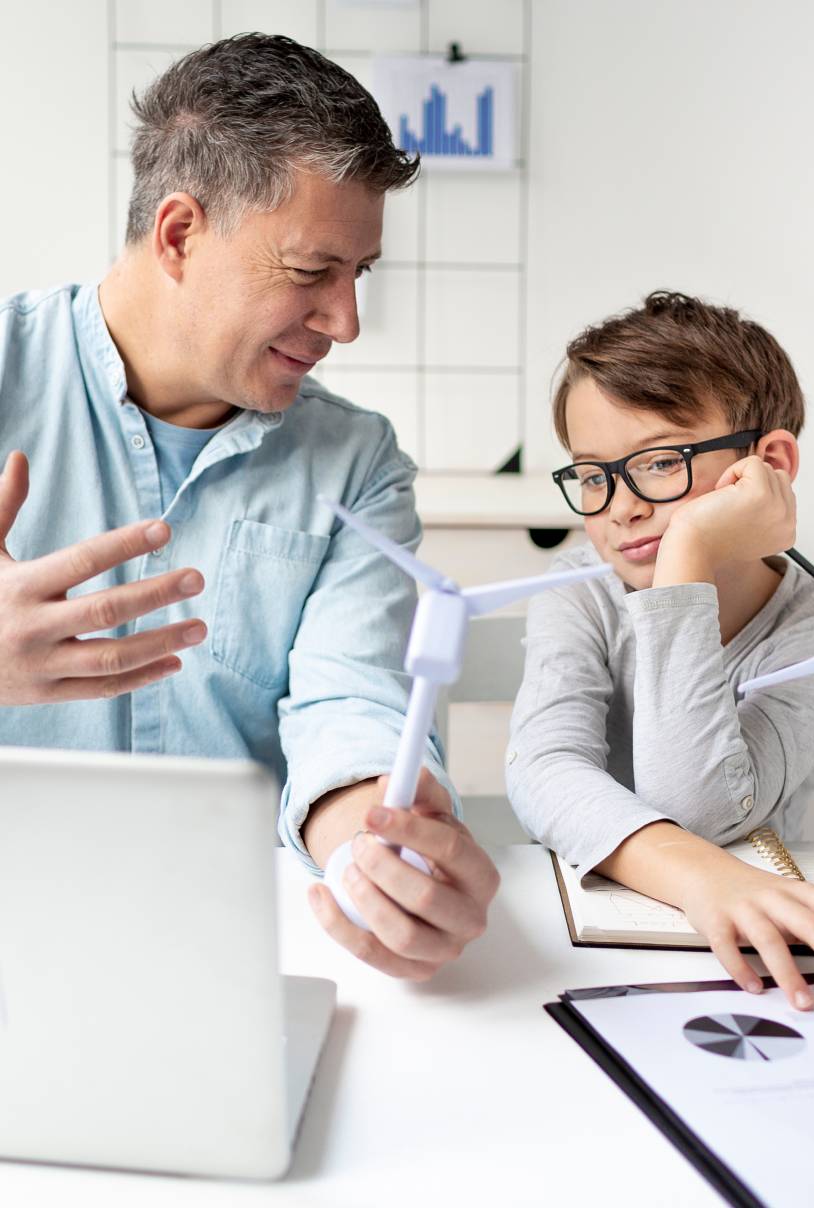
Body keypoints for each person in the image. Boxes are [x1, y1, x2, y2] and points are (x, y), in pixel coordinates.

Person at [0, 33, 498, 980]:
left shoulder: (358, 464)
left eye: (360, 275)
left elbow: (351, 703)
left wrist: (373, 845)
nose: (346, 320)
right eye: (314, 272)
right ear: (179, 234)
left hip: (232, 947)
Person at [506, 290, 814, 1010]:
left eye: (658, 462)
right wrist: (693, 874)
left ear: (768, 463)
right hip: (585, 934)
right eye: (591, 475)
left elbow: (697, 808)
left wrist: (689, 551)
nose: (620, 507)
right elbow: (544, 768)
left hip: (749, 947)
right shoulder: (580, 588)